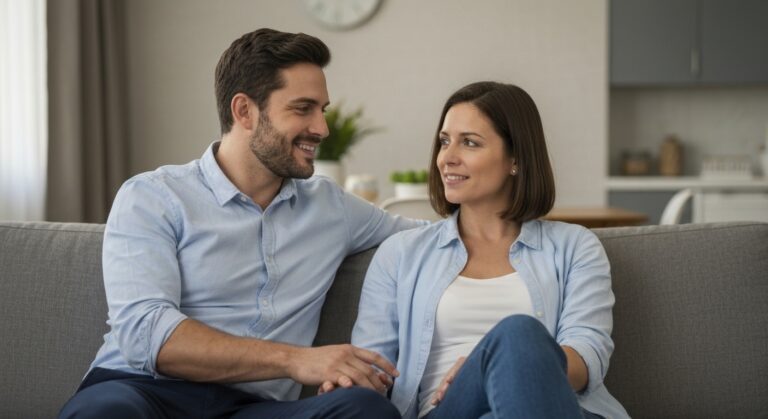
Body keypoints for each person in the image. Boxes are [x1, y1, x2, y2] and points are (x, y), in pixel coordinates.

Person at [59, 28, 424, 418]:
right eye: (303, 109)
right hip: (142, 395)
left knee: (365, 410)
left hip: (251, 409)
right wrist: (297, 360)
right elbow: (147, 336)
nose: (322, 129)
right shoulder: (153, 197)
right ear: (244, 111)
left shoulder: (333, 207)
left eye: (323, 110)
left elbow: (439, 238)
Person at [328, 82, 629, 418]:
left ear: (515, 159)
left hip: (561, 407)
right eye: (444, 142)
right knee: (516, 335)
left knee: (518, 337)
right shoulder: (400, 254)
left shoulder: (575, 246)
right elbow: (373, 365)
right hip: (449, 410)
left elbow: (588, 357)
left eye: (469, 142)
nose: (447, 158)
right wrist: (349, 381)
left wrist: (495, 365)